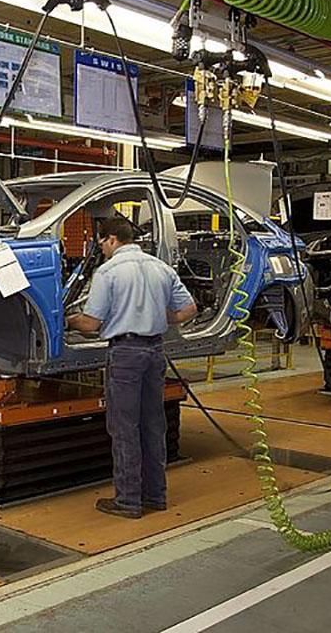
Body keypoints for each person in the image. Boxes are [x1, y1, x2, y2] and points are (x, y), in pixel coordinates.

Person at [66, 217, 197, 518]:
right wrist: (158, 317)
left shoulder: (108, 272)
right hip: (154, 352)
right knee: (153, 425)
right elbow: (189, 309)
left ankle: (127, 501)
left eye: (100, 244)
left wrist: (67, 319)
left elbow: (91, 324)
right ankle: (155, 496)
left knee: (125, 428)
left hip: (126, 354)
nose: (101, 250)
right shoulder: (160, 267)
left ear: (111, 239)